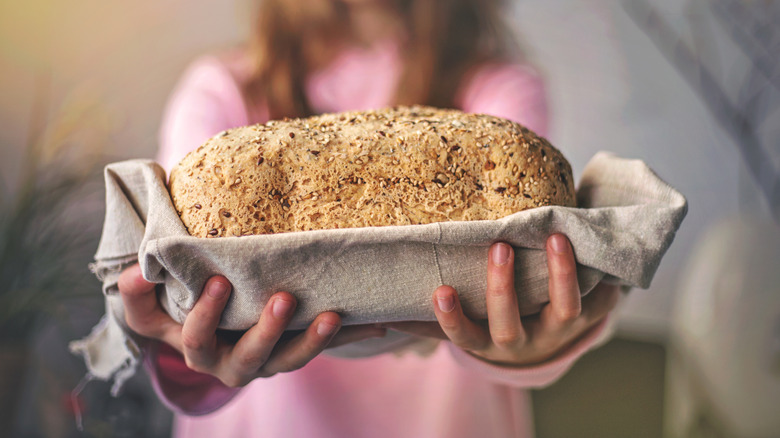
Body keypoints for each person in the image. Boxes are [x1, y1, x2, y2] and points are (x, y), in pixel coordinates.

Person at [121, 1, 621, 436]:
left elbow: (526, 290)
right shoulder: (220, 93)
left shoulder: (501, 94)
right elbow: (184, 290)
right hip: (270, 422)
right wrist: (178, 342)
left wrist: (539, 345)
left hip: (445, 422)